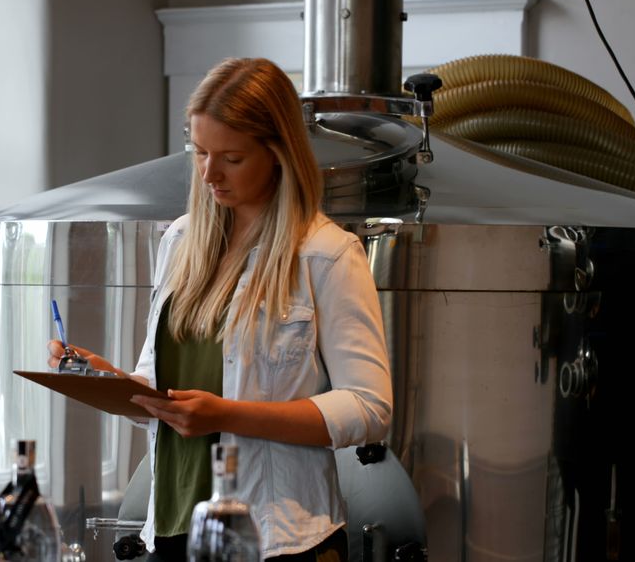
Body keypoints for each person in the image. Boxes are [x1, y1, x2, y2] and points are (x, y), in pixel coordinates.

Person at [48, 57, 391, 562]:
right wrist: (97, 377)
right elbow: (159, 394)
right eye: (199, 152)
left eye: (230, 158)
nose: (209, 173)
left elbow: (369, 408)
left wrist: (229, 416)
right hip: (171, 529)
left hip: (276, 540)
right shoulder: (182, 241)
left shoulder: (326, 254)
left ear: (277, 154)